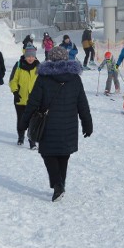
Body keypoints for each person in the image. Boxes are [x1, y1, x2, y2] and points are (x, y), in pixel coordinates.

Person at [21, 45, 93, 202]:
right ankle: (61, 184)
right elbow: (82, 104)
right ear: (66, 59)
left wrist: (23, 123)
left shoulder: (43, 78)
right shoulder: (75, 78)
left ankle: (58, 184)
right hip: (69, 126)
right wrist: (87, 123)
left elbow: (33, 103)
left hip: (48, 126)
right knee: (63, 155)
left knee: (48, 154)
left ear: (50, 59)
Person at [10, 44, 40, 147]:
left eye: (32, 56)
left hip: (34, 100)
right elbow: (13, 80)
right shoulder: (18, 65)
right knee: (21, 119)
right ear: (25, 56)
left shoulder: (38, 67)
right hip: (20, 98)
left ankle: (32, 140)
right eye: (28, 56)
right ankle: (21, 137)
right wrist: (15, 92)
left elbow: (42, 82)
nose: (30, 58)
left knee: (33, 121)